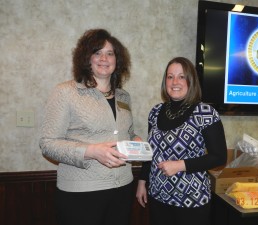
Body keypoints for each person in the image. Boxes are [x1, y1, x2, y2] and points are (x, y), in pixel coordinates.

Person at [39, 28, 142, 225]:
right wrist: (91, 151)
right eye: (97, 52)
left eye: (110, 53)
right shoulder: (65, 92)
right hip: (81, 193)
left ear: (117, 60)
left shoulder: (123, 96)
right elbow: (47, 144)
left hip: (122, 187)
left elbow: (127, 132)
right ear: (86, 58)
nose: (104, 58)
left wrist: (135, 140)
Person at [136, 57, 227, 225]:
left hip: (191, 200)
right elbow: (150, 152)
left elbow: (219, 157)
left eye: (181, 76)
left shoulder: (205, 113)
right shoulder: (155, 112)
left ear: (191, 80)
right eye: (170, 77)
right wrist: (142, 182)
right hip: (158, 196)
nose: (175, 81)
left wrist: (180, 165)